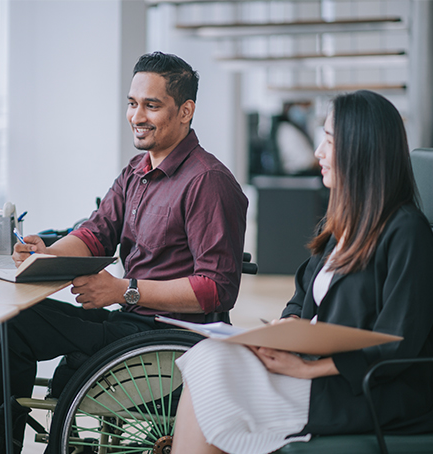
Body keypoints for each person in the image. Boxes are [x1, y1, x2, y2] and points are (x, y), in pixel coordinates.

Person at [0, 52, 248, 451]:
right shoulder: (137, 171)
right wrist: (46, 253)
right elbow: (96, 233)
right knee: (13, 318)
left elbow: (217, 289)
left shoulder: (207, 182)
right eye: (132, 103)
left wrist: (124, 290)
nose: (137, 116)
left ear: (185, 111)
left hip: (165, 339)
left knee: (16, 328)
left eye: (151, 105)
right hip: (130, 325)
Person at [171, 90, 433, 454]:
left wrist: (308, 368)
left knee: (214, 375)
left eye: (328, 140)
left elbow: (396, 343)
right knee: (210, 356)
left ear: (361, 150)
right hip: (317, 369)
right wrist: (284, 330)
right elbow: (301, 297)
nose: (318, 153)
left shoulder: (407, 232)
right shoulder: (344, 225)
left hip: (365, 389)